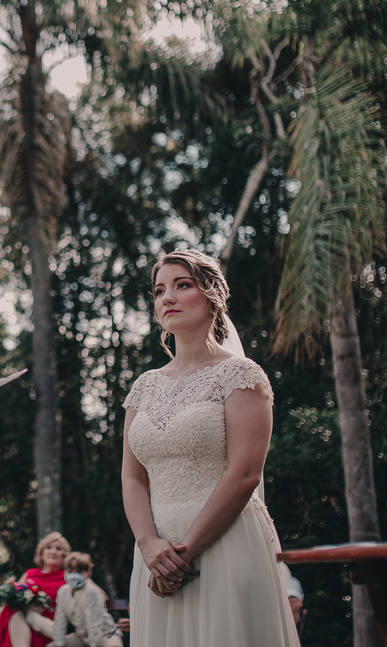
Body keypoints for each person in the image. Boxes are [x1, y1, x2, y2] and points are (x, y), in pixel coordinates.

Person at [121, 250, 299, 647]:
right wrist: (150, 545)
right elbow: (132, 476)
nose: (167, 297)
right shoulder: (143, 387)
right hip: (155, 550)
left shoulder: (240, 375)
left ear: (213, 296)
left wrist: (182, 555)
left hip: (223, 541)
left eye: (182, 285)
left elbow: (245, 474)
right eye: (159, 290)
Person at [0, 532, 70, 647]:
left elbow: (99, 595)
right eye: (49, 548)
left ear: (64, 555)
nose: (53, 552)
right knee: (11, 609)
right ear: (42, 553)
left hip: (46, 629)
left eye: (58, 549)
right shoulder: (30, 573)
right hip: (23, 623)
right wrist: (10, 589)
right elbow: (15, 597)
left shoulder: (69, 577)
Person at [49, 553, 121, 647]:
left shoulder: (92, 592)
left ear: (89, 574)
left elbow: (94, 626)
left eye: (79, 571)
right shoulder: (63, 592)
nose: (74, 575)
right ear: (64, 572)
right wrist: (59, 644)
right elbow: (60, 622)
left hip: (105, 635)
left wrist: (94, 645)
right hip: (82, 637)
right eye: (70, 571)